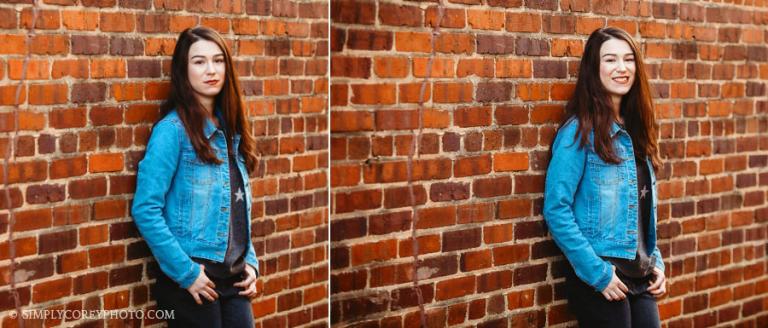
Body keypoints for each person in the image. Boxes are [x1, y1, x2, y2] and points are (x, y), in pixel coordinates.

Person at [131, 26, 260, 328]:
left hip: (234, 279)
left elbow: (237, 209)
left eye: (218, 60)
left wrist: (251, 262)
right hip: (192, 280)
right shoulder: (172, 132)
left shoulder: (232, 132)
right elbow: (145, 209)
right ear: (183, 70)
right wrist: (187, 273)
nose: (211, 70)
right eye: (199, 62)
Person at [543, 27, 667, 327]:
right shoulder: (578, 133)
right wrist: (597, 273)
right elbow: (556, 209)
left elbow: (638, 210)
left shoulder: (636, 130)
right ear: (594, 69)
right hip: (601, 274)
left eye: (628, 59)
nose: (622, 68)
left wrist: (657, 261)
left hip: (640, 273)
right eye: (611, 60)